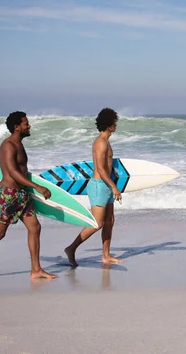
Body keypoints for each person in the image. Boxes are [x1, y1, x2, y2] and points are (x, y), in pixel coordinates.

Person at [0, 111, 57, 281]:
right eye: (26, 123)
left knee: (35, 227)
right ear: (17, 127)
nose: (29, 125)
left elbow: (22, 171)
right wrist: (37, 186)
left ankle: (36, 269)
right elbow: (13, 172)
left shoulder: (19, 144)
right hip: (7, 195)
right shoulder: (8, 145)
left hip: (22, 194)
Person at [64, 108, 123, 266]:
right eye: (114, 121)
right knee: (97, 223)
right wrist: (114, 187)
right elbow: (100, 169)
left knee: (110, 220)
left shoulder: (107, 141)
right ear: (108, 124)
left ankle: (106, 255)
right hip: (99, 186)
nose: (116, 124)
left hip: (107, 185)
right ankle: (71, 248)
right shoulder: (100, 143)